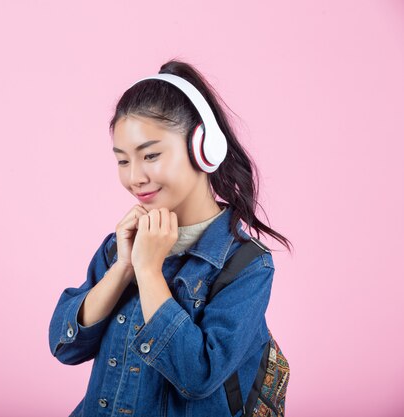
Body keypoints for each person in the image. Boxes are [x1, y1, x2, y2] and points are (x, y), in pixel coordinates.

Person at [48, 59, 292, 417]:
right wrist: (124, 269)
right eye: (122, 161)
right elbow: (65, 345)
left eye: (151, 155)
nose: (135, 177)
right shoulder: (120, 247)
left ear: (203, 147)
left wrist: (148, 272)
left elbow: (198, 375)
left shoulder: (246, 265)